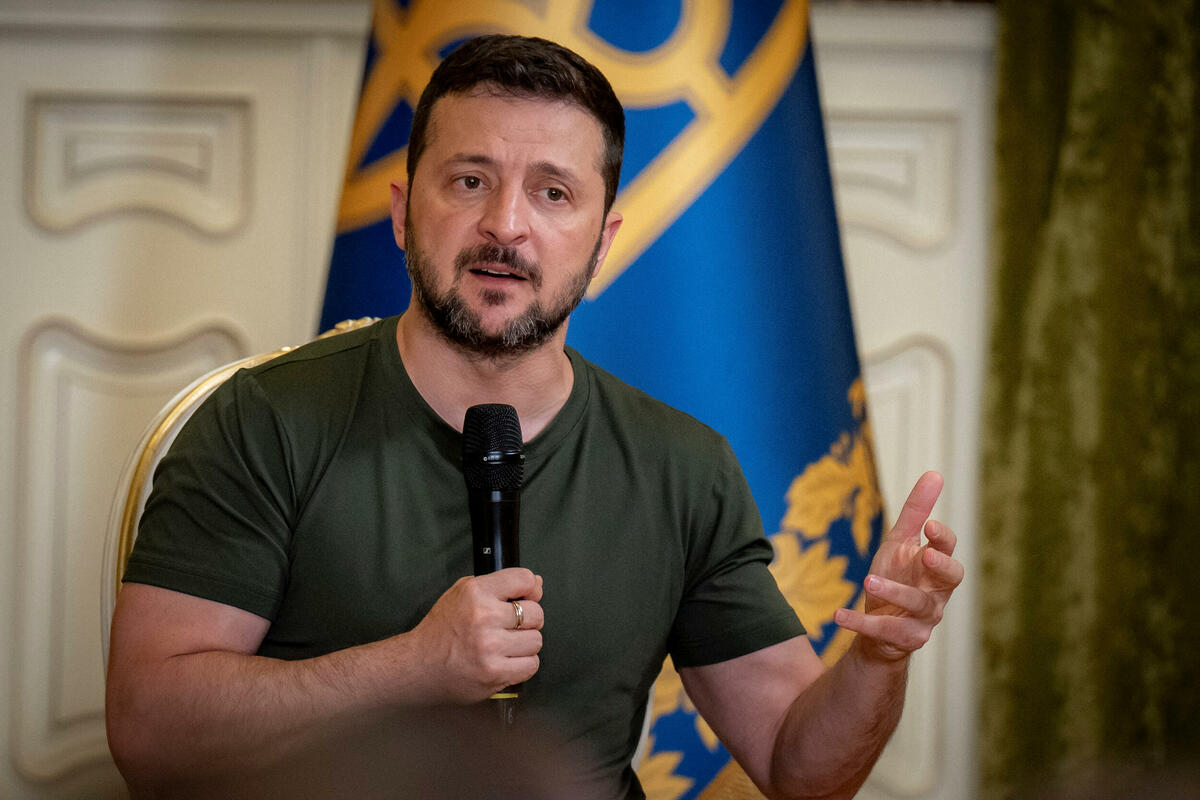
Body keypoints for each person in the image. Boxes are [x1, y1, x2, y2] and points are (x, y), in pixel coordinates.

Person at [105, 34, 963, 799]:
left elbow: (799, 770)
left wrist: (878, 659)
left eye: (553, 193)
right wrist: (413, 667)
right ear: (403, 213)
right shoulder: (263, 420)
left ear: (602, 244)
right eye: (470, 180)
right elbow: (150, 735)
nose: (504, 225)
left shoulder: (682, 467)